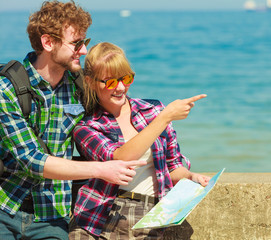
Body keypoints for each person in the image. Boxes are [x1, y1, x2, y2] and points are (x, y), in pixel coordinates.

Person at [0, 1, 147, 239]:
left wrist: (162, 121)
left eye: (85, 42)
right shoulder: (7, 89)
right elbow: (32, 160)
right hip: (6, 208)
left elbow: (114, 110)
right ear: (48, 43)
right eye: (76, 44)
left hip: (53, 214)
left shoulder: (81, 86)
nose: (84, 51)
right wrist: (102, 169)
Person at [68, 42, 210, 239]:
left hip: (148, 214)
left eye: (125, 79)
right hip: (98, 216)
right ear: (91, 82)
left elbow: (173, 165)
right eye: (109, 82)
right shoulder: (86, 127)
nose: (120, 87)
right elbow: (120, 159)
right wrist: (164, 117)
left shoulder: (152, 110)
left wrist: (191, 177)